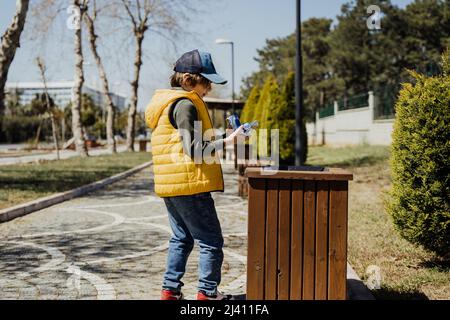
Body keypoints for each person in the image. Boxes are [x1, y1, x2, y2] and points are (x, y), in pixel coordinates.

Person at [145, 49, 245, 300]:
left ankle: (170, 291)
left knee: (181, 237)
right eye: (206, 81)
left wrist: (227, 137)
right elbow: (196, 150)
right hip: (191, 185)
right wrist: (231, 141)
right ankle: (208, 294)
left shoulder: (168, 102)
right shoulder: (186, 105)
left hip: (173, 184)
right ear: (189, 80)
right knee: (211, 240)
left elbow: (190, 144)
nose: (210, 87)